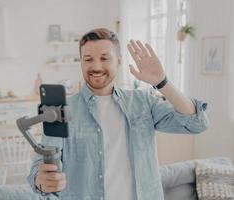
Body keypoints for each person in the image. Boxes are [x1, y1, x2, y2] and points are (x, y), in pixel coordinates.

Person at [27, 28, 208, 200]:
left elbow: (196, 122)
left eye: (105, 58)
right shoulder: (60, 109)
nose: (96, 66)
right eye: (88, 59)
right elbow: (39, 169)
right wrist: (41, 180)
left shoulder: (143, 102)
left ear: (119, 61)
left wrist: (162, 82)